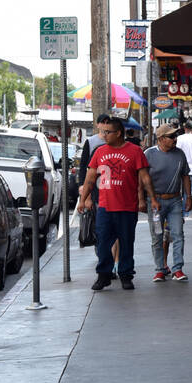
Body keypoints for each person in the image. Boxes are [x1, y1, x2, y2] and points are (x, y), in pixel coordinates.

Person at [77, 117, 158, 291]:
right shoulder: (99, 152)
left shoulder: (135, 151)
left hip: (127, 207)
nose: (104, 135)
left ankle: (126, 275)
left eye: (108, 132)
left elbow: (144, 178)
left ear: (118, 133)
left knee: (127, 243)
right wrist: (83, 199)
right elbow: (90, 178)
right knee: (103, 243)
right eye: (103, 132)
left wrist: (153, 199)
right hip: (105, 206)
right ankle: (104, 275)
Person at [144, 122, 192, 282]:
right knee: (157, 237)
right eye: (171, 136)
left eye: (175, 136)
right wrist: (146, 199)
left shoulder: (180, 154)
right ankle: (160, 269)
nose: (175, 139)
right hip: (156, 201)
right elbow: (143, 179)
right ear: (161, 138)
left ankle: (178, 268)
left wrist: (188, 197)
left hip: (175, 200)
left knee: (178, 235)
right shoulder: (149, 154)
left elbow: (185, 176)